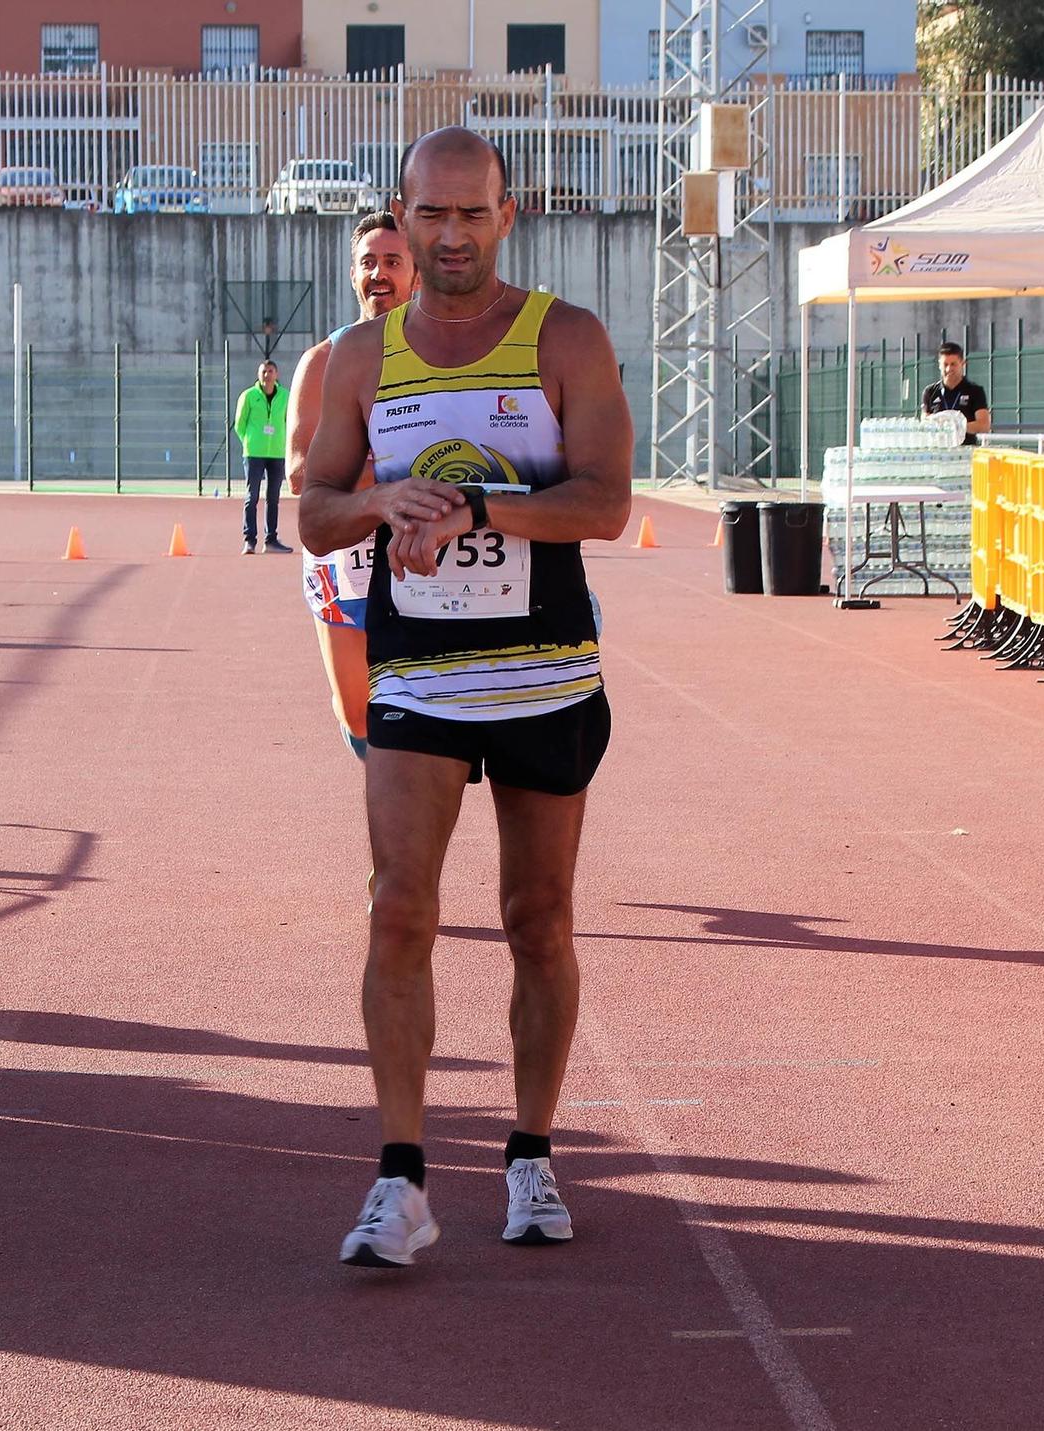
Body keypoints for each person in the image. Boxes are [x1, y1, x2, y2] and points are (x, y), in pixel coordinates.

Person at [298, 128, 632, 1266]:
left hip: (543, 672)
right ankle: (398, 1181)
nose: (448, 237)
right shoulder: (358, 357)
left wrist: (479, 513)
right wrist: (383, 505)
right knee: (399, 907)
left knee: (536, 920)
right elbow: (311, 512)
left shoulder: (563, 340)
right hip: (417, 678)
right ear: (401, 213)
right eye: (428, 215)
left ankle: (530, 1155)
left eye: (469, 215)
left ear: (506, 213)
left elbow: (602, 503)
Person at [287, 212, 419, 760]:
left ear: (416, 273)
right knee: (358, 712)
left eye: (393, 261)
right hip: (347, 555)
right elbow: (299, 472)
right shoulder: (322, 361)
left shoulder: (448, 358)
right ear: (353, 276)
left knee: (431, 703)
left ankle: (411, 820)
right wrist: (391, 482)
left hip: (425, 548)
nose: (380, 273)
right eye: (369, 262)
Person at [234, 360, 292, 554]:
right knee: (252, 496)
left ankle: (271, 540)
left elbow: (289, 420)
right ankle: (249, 540)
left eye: (270, 371)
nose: (267, 375)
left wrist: (283, 443)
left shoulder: (285, 396)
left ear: (277, 374)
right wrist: (250, 441)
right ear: (259, 375)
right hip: (254, 453)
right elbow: (239, 424)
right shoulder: (249, 396)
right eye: (264, 372)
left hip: (276, 453)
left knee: (273, 497)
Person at [922, 342, 990, 445]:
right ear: (939, 365)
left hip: (965, 453)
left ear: (962, 364)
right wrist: (937, 423)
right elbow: (924, 423)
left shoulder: (975, 391)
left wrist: (957, 426)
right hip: (937, 453)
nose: (949, 369)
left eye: (953, 364)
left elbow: (984, 425)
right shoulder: (930, 391)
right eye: (945, 364)